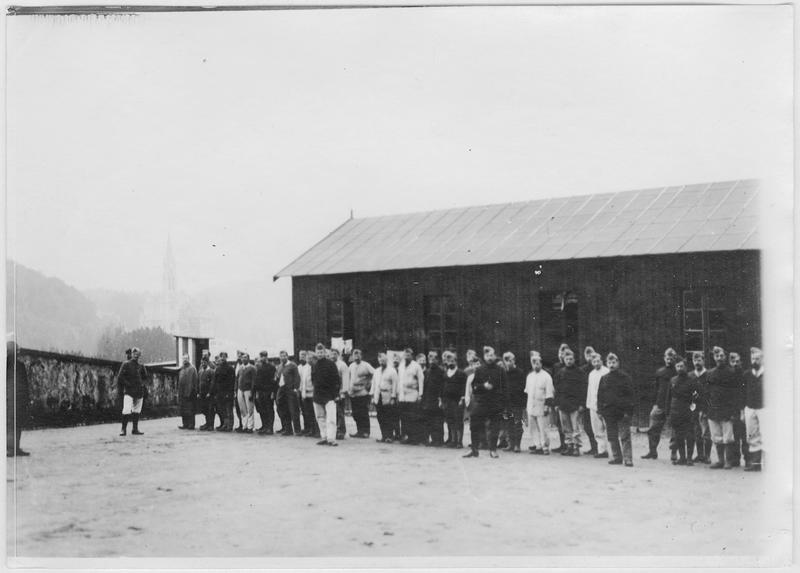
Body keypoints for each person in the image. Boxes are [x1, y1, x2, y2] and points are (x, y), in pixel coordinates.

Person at [463, 346, 508, 459]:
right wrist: (483, 386)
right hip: (482, 402)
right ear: (484, 356)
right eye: (487, 356)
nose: (489, 358)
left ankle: (493, 450)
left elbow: (505, 387)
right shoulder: (479, 370)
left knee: (494, 427)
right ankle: (474, 449)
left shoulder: (500, 370)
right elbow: (475, 387)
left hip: (495, 402)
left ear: (495, 356)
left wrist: (503, 403)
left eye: (491, 355)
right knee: (474, 423)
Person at [597, 353, 634, 467]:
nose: (611, 365)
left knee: (625, 436)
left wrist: (629, 411)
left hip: (622, 412)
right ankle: (617, 457)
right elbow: (600, 396)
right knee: (612, 435)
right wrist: (600, 410)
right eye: (609, 363)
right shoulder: (604, 379)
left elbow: (631, 395)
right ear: (606, 364)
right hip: (609, 412)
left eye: (614, 362)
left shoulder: (625, 378)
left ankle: (628, 459)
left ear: (618, 363)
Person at [706, 346, 740, 470]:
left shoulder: (731, 373)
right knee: (716, 436)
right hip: (713, 409)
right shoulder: (709, 373)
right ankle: (720, 460)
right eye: (717, 356)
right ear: (714, 358)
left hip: (727, 409)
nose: (719, 358)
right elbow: (707, 392)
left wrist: (734, 411)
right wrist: (707, 409)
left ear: (725, 357)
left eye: (721, 356)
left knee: (728, 437)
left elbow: (736, 393)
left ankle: (728, 461)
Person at [642, 348, 678, 460]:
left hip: (673, 405)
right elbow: (656, 389)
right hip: (660, 404)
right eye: (667, 358)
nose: (669, 360)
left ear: (675, 359)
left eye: (671, 358)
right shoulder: (660, 372)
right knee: (653, 428)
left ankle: (673, 452)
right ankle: (652, 451)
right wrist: (654, 404)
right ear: (664, 358)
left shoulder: (678, 372)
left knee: (675, 430)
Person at [553, 349, 587, 456]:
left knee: (575, 427)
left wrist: (582, 404)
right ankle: (569, 446)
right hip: (563, 404)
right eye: (566, 359)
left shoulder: (580, 372)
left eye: (571, 359)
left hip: (575, 404)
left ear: (574, 359)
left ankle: (576, 447)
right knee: (566, 427)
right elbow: (557, 389)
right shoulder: (560, 373)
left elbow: (583, 389)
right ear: (563, 360)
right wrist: (556, 404)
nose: (569, 361)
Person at [667, 357, 701, 466]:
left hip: (688, 412)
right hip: (676, 412)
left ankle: (689, 458)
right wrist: (668, 412)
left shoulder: (692, 380)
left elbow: (696, 397)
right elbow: (668, 397)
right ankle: (682, 458)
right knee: (678, 436)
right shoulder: (673, 380)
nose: (680, 368)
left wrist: (693, 411)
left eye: (682, 366)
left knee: (690, 436)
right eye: (678, 366)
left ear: (686, 367)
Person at [525, 351, 554, 455]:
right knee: (533, 427)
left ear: (541, 364)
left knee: (543, 427)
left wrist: (547, 406)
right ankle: (537, 445)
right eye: (533, 363)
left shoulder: (547, 377)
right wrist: (527, 407)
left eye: (537, 363)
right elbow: (527, 392)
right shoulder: (529, 376)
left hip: (542, 405)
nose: (536, 365)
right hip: (531, 405)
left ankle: (545, 447)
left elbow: (549, 393)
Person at [312, 343, 341, 446]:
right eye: (318, 352)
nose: (319, 354)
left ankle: (331, 439)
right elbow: (313, 380)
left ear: (325, 352)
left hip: (329, 395)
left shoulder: (331, 364)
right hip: (317, 395)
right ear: (316, 353)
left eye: (321, 352)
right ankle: (324, 437)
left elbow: (337, 380)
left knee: (331, 418)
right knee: (320, 417)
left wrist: (336, 394)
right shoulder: (315, 365)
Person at [6, 340, 31, 457]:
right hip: (11, 400)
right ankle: (11, 448)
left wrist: (26, 398)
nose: (17, 352)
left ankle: (15, 448)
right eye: (15, 350)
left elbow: (24, 384)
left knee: (16, 424)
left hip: (17, 400)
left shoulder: (19, 365)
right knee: (12, 424)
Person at [397, 347, 425, 445]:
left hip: (412, 394)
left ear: (412, 356)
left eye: (408, 355)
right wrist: (398, 393)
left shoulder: (416, 366)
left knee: (413, 417)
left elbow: (421, 380)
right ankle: (406, 436)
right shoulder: (401, 366)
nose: (406, 357)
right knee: (404, 417)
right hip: (402, 395)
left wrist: (420, 394)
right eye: (405, 355)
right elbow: (399, 380)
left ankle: (414, 438)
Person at [742, 347, 764, 472]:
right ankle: (755, 463)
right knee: (752, 436)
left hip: (764, 408)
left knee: (766, 435)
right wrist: (742, 410)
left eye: (757, 358)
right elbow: (743, 393)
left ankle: (767, 464)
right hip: (750, 408)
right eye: (753, 359)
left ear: (762, 359)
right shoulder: (747, 374)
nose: (755, 361)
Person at [117, 347, 147, 436]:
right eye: (134, 354)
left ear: (139, 356)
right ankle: (123, 429)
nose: (135, 356)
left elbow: (145, 377)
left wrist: (142, 384)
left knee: (137, 410)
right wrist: (128, 384)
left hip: (139, 391)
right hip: (129, 391)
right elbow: (120, 377)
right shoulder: (125, 364)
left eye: (137, 354)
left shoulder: (141, 366)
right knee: (126, 409)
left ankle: (135, 429)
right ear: (131, 355)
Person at [440, 350, 467, 448]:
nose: (450, 363)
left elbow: (464, 387)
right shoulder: (445, 373)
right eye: (448, 361)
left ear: (456, 361)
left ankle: (459, 441)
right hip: (447, 401)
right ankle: (452, 439)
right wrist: (442, 400)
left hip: (457, 401)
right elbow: (442, 387)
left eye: (452, 361)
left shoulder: (461, 373)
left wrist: (462, 398)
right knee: (450, 420)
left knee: (458, 420)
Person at [688, 351, 711, 464]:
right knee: (697, 432)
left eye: (699, 360)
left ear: (703, 361)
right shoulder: (690, 375)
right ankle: (700, 454)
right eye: (695, 360)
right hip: (694, 408)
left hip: (705, 407)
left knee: (706, 432)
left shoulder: (708, 374)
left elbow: (711, 392)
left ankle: (707, 455)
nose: (697, 362)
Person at [585, 353, 609, 458]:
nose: (596, 363)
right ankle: (601, 450)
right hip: (593, 404)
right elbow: (590, 390)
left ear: (602, 361)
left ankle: (612, 450)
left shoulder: (606, 372)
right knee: (597, 429)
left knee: (608, 427)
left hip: (605, 404)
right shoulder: (591, 374)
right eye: (594, 362)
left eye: (598, 361)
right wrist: (589, 403)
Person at [502, 352, 526, 453]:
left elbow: (523, 389)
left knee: (517, 423)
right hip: (506, 403)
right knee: (508, 423)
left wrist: (522, 404)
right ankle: (510, 444)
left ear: (514, 360)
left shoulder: (520, 372)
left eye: (510, 360)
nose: (508, 363)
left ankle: (517, 445)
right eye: (506, 361)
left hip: (517, 403)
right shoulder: (503, 373)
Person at [372, 352, 399, 443]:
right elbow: (374, 384)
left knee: (388, 417)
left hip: (387, 396)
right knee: (380, 417)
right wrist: (372, 396)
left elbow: (395, 384)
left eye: (383, 360)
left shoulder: (392, 371)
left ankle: (389, 436)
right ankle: (383, 435)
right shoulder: (376, 371)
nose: (381, 362)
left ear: (386, 360)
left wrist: (393, 397)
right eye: (379, 360)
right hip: (378, 396)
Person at [348, 349, 375, 438]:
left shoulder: (366, 365)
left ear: (361, 356)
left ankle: (366, 432)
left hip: (363, 392)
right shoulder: (351, 366)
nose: (356, 356)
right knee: (356, 414)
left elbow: (375, 374)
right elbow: (348, 377)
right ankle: (359, 431)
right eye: (354, 355)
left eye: (358, 355)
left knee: (363, 413)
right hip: (353, 393)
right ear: (352, 356)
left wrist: (369, 384)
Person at [421, 351, 445, 447]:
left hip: (436, 399)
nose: (432, 360)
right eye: (430, 357)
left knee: (438, 421)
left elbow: (442, 386)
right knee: (429, 420)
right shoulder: (426, 371)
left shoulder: (441, 371)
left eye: (434, 358)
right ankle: (431, 439)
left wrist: (440, 398)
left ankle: (439, 440)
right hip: (428, 399)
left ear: (437, 360)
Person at [729, 351, 749, 468]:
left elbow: (745, 393)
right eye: (733, 362)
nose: (735, 364)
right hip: (733, 409)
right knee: (734, 436)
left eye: (737, 361)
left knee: (745, 436)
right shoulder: (729, 376)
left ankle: (747, 460)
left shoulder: (745, 375)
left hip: (743, 408)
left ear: (741, 362)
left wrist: (743, 410)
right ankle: (735, 460)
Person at [275, 351, 302, 436]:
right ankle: (288, 429)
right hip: (282, 390)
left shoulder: (292, 365)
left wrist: (295, 388)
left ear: (287, 356)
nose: (282, 358)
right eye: (281, 356)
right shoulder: (279, 366)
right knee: (283, 409)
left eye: (284, 356)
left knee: (293, 410)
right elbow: (277, 377)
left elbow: (297, 377)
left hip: (290, 390)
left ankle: (297, 430)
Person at [579, 346, 600, 456]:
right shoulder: (582, 370)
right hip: (587, 400)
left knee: (598, 426)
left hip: (598, 401)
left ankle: (600, 448)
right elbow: (581, 387)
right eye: (587, 355)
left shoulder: (599, 370)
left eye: (592, 355)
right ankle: (594, 446)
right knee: (587, 426)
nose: (590, 358)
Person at [254, 351, 277, 435]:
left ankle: (270, 428)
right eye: (261, 356)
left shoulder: (271, 367)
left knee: (269, 410)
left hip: (268, 391)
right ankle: (264, 426)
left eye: (264, 356)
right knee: (262, 410)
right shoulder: (260, 367)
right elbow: (257, 380)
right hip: (260, 391)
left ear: (266, 357)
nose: (262, 358)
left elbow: (274, 381)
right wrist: (256, 392)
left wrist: (272, 392)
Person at [213, 352, 236, 432]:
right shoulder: (218, 368)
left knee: (228, 410)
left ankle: (229, 426)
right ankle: (224, 424)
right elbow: (215, 381)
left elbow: (231, 382)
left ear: (227, 357)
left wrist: (229, 393)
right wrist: (215, 392)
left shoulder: (230, 368)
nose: (222, 358)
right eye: (221, 357)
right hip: (219, 393)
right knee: (222, 410)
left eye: (224, 357)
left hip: (227, 393)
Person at [298, 350, 318, 437]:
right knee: (307, 412)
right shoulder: (304, 368)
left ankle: (316, 430)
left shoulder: (314, 367)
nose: (309, 360)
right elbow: (303, 381)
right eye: (308, 358)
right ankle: (309, 429)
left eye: (310, 358)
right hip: (305, 393)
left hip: (313, 393)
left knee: (314, 413)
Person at [331, 348, 350, 440]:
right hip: (331, 392)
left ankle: (341, 431)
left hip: (340, 392)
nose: (333, 356)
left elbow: (345, 380)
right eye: (331, 354)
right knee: (333, 413)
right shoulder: (330, 364)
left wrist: (343, 392)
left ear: (338, 355)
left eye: (335, 354)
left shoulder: (342, 365)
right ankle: (335, 430)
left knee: (340, 412)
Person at [236, 353, 256, 434]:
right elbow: (237, 379)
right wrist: (236, 389)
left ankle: (250, 427)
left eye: (245, 358)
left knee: (250, 409)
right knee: (242, 409)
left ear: (248, 359)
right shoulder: (240, 368)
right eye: (242, 358)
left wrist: (252, 391)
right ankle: (244, 426)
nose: (243, 359)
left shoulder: (252, 368)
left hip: (248, 390)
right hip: (240, 390)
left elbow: (254, 381)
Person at [177, 353, 199, 430]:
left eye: (186, 358)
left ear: (189, 359)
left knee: (190, 409)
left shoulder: (192, 368)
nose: (185, 360)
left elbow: (195, 381)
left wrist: (194, 392)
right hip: (182, 392)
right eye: (183, 358)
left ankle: (191, 424)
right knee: (183, 409)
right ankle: (185, 424)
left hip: (190, 393)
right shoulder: (181, 369)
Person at [198, 352, 216, 431]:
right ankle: (207, 423)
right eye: (201, 363)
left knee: (210, 409)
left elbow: (212, 383)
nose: (202, 364)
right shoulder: (200, 371)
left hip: (209, 394)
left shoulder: (211, 371)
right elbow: (199, 382)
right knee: (204, 409)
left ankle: (211, 425)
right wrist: (198, 392)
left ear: (207, 363)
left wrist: (210, 392)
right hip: (202, 393)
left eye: (204, 362)